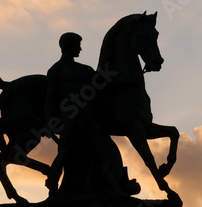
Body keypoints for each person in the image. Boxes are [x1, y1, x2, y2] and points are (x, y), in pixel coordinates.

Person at [44, 33, 137, 198]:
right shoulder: (56, 70)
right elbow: (50, 98)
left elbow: (103, 84)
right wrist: (50, 121)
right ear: (68, 46)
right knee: (66, 153)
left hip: (88, 117)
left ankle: (113, 188)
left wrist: (128, 82)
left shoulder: (85, 70)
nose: (80, 48)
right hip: (69, 117)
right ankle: (53, 187)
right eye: (77, 45)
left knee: (103, 150)